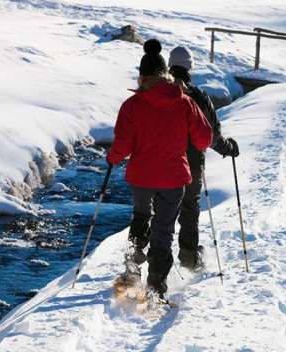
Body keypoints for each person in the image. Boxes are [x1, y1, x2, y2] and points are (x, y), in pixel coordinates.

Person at [106, 39, 212, 298]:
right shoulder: (185, 102)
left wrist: (112, 158)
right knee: (163, 231)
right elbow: (203, 139)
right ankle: (155, 290)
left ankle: (132, 272)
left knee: (141, 217)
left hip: (141, 177)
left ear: (142, 76)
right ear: (165, 74)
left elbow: (122, 145)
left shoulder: (132, 105)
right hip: (174, 178)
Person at [168, 46, 240, 271]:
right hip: (191, 162)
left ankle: (155, 256)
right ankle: (189, 257)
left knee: (162, 208)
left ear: (170, 65)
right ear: (190, 66)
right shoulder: (198, 96)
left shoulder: (158, 93)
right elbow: (212, 134)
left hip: (161, 159)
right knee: (189, 207)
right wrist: (228, 148)